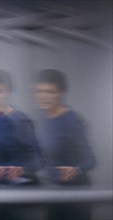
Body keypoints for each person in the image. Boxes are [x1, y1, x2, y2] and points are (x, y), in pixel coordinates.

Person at [34, 69, 96, 220]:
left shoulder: (73, 121)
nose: (43, 96)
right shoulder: (40, 119)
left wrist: (76, 169)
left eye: (50, 92)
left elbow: (91, 160)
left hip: (75, 197)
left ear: (61, 93)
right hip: (52, 195)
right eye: (39, 91)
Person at [0, 69, 43, 184]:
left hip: (16, 188)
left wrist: (20, 169)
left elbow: (38, 160)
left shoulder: (20, 121)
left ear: (8, 92)